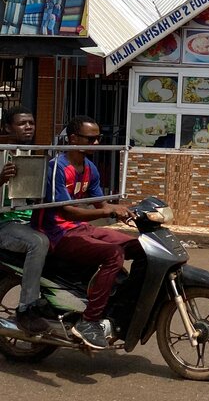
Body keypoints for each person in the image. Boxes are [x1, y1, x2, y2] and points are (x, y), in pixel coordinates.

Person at [36, 115, 137, 351]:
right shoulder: (57, 168)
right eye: (91, 139)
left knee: (138, 246)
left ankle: (124, 307)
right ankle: (89, 321)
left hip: (78, 229)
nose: (96, 143)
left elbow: (100, 204)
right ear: (73, 138)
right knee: (113, 255)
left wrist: (130, 210)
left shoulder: (89, 167)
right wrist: (112, 212)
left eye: (98, 138)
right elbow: (68, 212)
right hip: (56, 233)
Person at [0, 106, 52, 335]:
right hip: (5, 224)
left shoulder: (33, 153)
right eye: (22, 123)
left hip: (29, 220)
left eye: (31, 122)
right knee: (37, 242)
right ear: (7, 128)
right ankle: (26, 308)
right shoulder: (2, 154)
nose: (28, 127)